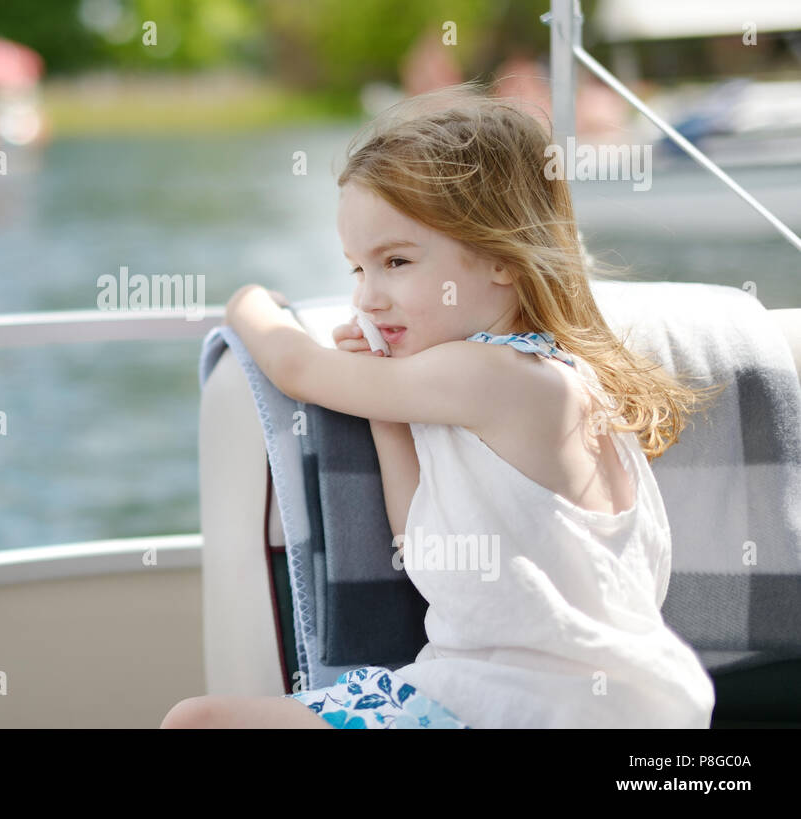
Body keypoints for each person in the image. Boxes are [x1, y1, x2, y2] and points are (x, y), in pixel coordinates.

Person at [161, 85, 723, 729]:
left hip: (528, 708)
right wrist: (382, 403)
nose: (368, 298)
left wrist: (249, 304)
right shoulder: (512, 382)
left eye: (395, 261)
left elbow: (295, 366)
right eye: (356, 270)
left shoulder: (492, 374)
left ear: (500, 258)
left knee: (196, 722)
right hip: (537, 703)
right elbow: (420, 546)